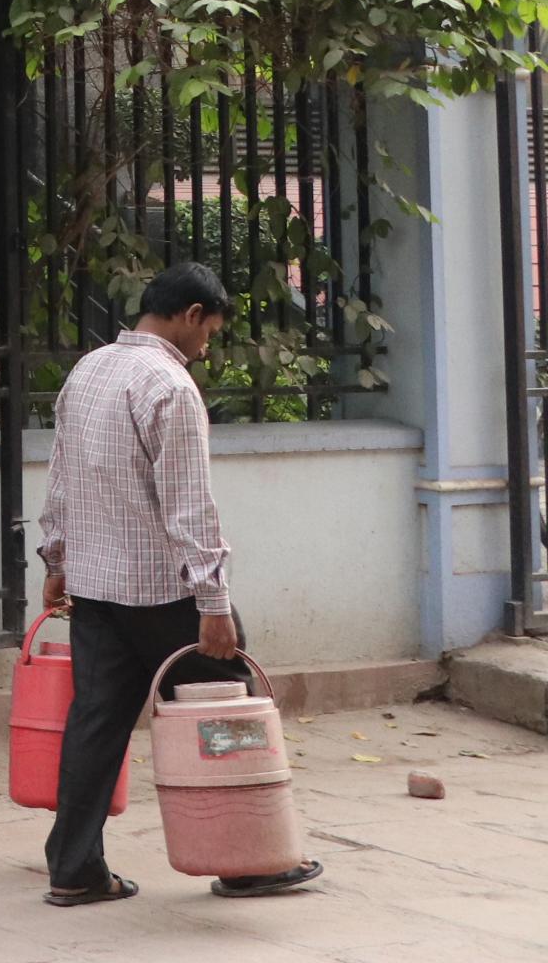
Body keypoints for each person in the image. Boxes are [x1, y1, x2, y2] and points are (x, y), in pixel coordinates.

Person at [35, 263, 322, 906]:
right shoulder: (170, 385)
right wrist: (214, 602)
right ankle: (247, 860)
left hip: (96, 586)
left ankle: (74, 869)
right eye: (210, 331)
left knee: (95, 723)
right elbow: (190, 507)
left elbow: (60, 477)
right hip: (165, 592)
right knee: (225, 712)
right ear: (191, 315)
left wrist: (55, 559)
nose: (208, 346)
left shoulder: (89, 370)